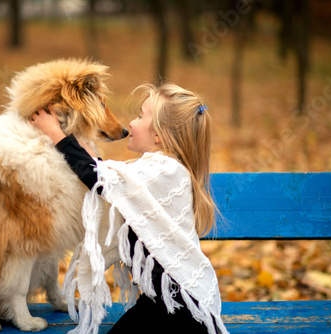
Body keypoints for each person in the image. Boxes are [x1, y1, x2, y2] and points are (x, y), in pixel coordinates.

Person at [30, 83, 228, 334]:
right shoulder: (156, 169)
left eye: (140, 116)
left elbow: (100, 181)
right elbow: (119, 190)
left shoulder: (165, 170)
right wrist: (88, 154)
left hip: (182, 307)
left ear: (159, 136)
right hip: (162, 302)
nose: (131, 123)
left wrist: (56, 135)